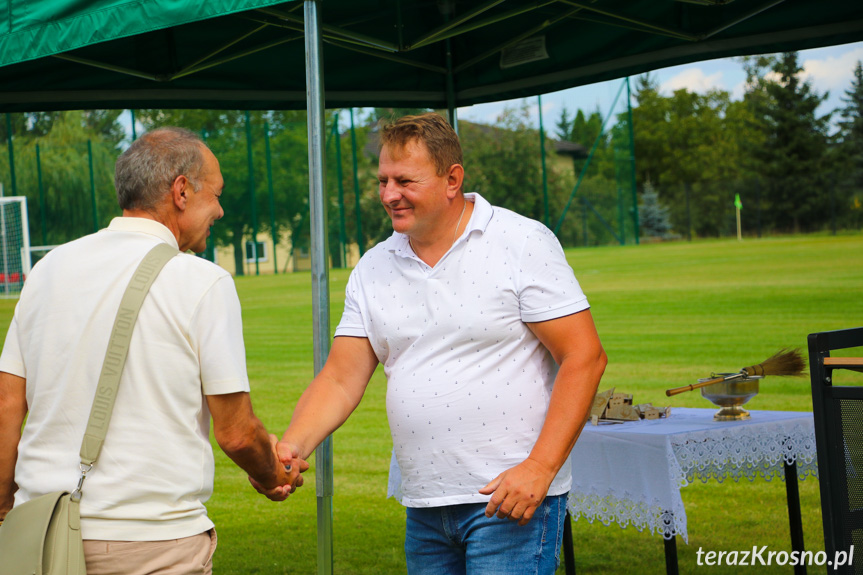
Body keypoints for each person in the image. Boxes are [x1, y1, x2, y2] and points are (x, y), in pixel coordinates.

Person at [262, 112, 607, 574]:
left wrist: (540, 469)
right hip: (424, 503)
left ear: (452, 179)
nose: (388, 194)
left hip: (509, 502)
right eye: (382, 180)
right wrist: (291, 448)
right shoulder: (373, 265)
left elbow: (583, 356)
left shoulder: (521, 241)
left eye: (404, 180)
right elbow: (342, 378)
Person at [0, 127, 304, 574]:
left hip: (43, 533)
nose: (220, 210)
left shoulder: (47, 269)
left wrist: (7, 506)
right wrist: (272, 475)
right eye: (215, 195)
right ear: (181, 190)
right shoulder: (202, 281)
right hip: (154, 541)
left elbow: (8, 403)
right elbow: (236, 433)